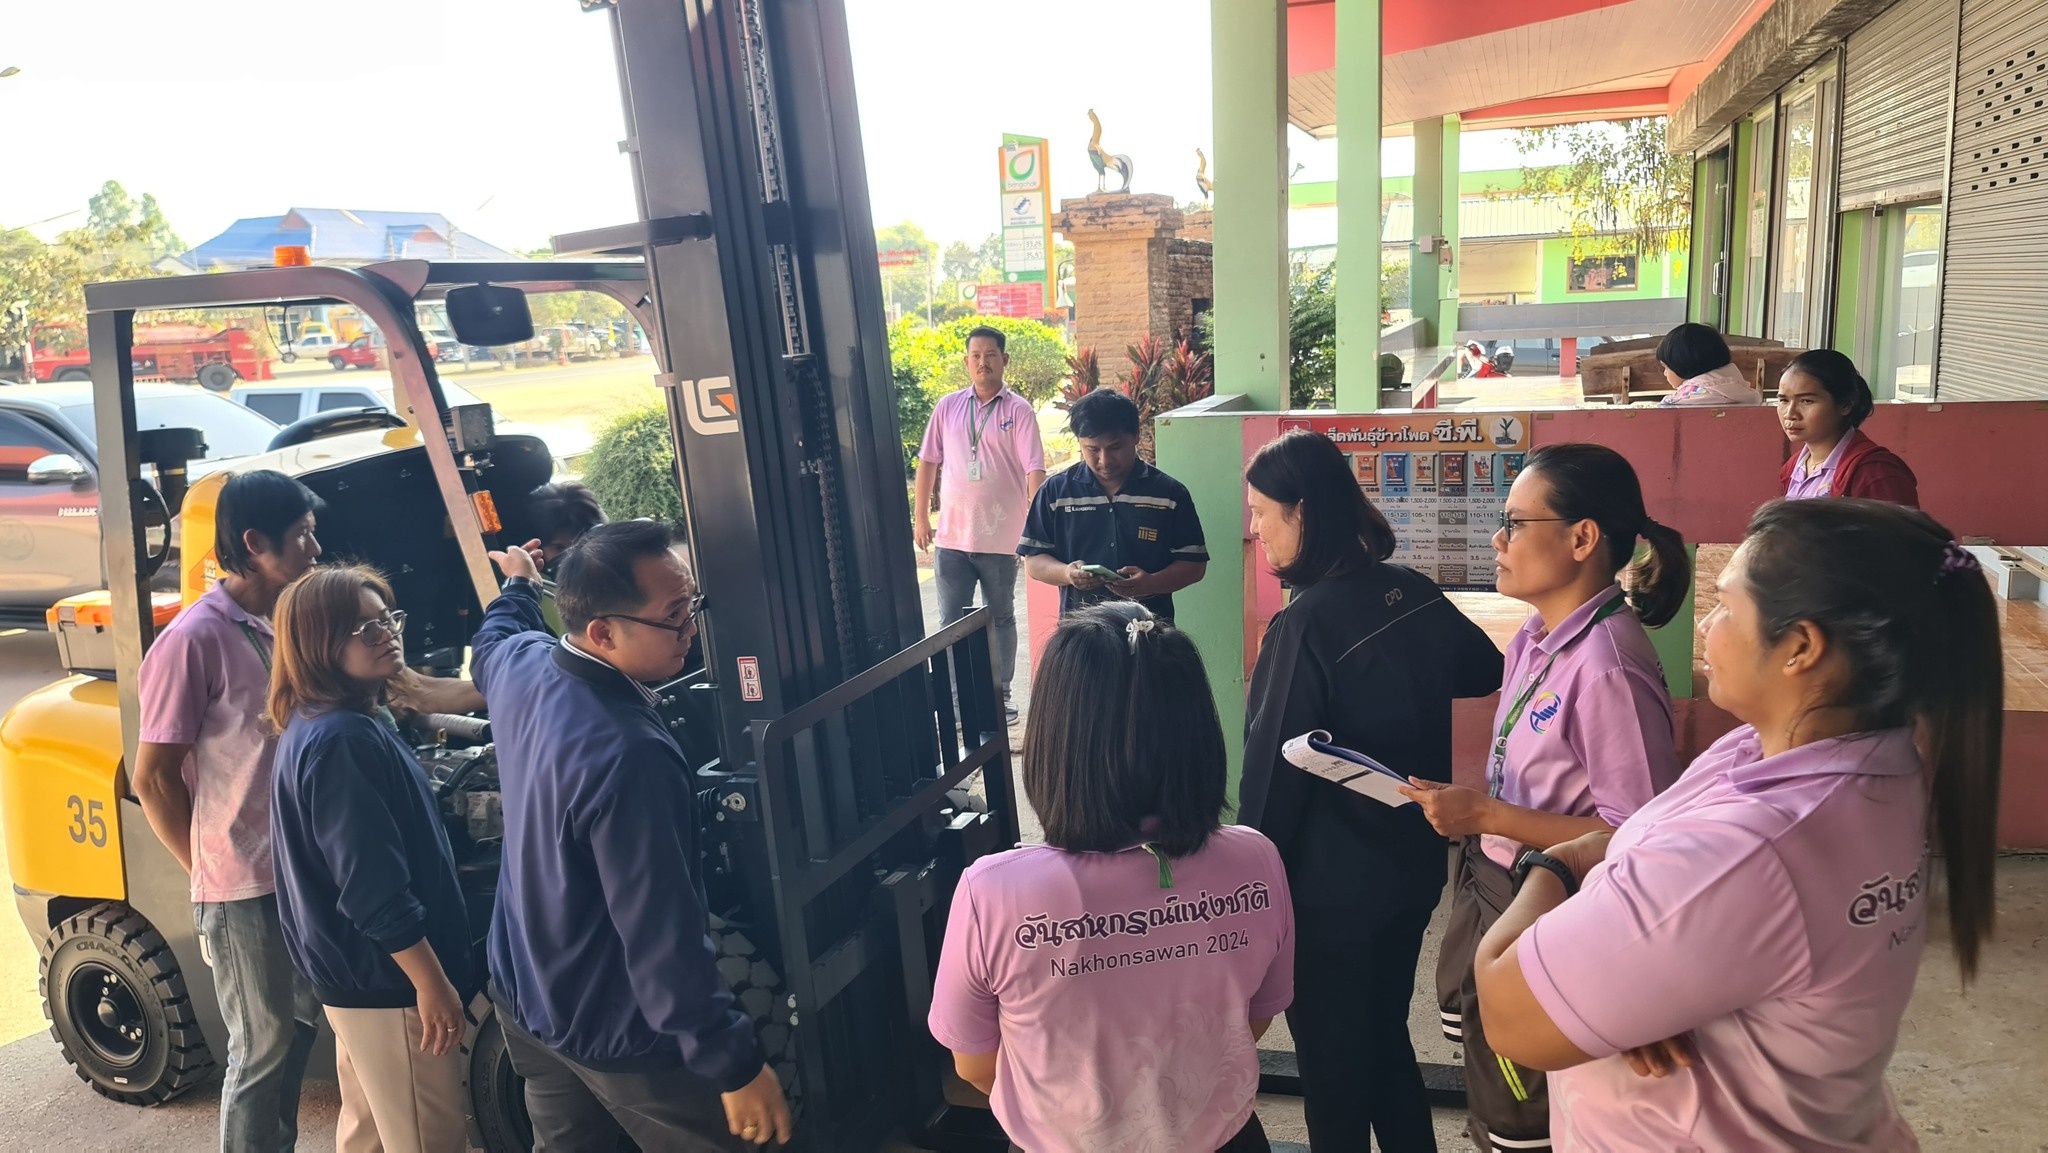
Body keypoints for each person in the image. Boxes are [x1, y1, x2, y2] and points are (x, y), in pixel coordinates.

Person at [1471, 498, 2000, 1149]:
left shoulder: (1753, 848)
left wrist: (1559, 863)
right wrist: (1632, 978)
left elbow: (1510, 1013)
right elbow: (1688, 888)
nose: (1706, 625)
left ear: (1800, 647)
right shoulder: (1856, 761)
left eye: (1725, 606)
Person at [1397, 443, 1687, 1153]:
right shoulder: (1537, 636)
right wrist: (1479, 812)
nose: (1498, 541)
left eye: (1515, 523)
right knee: (1487, 1057)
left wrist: (1486, 814)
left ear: (1582, 538)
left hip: (1551, 908)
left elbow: (1636, 837)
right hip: (1496, 879)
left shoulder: (1608, 666)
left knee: (1521, 1105)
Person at [929, 603, 1293, 1153]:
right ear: (1199, 734)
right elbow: (1253, 1018)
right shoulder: (1256, 861)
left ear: (1056, 742)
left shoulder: (993, 892)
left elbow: (976, 1066)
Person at [473, 521, 791, 1150]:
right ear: (602, 632)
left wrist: (518, 586)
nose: (691, 627)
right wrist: (732, 1062)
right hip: (615, 1026)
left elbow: (493, 637)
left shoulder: (521, 666)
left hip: (524, 996)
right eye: (673, 616)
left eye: (691, 604)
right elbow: (660, 931)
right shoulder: (629, 753)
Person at [1237, 430, 1505, 1153]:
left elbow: (1271, 781)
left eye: (1262, 512)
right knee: (1384, 1034)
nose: (1255, 529)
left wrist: (1251, 891)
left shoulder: (1304, 624)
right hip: (1411, 870)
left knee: (1332, 1066)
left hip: (1329, 895)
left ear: (1301, 511)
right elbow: (1484, 667)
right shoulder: (1409, 590)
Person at [134, 469, 326, 1152]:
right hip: (240, 884)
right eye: (302, 535)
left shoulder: (289, 620)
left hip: (300, 870)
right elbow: (152, 777)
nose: (315, 548)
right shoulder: (193, 639)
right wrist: (207, 875)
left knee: (297, 1029)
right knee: (262, 1047)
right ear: (254, 543)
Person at [268, 566, 474, 1153]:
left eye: (387, 619)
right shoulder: (342, 739)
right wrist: (431, 983)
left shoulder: (324, 721)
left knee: (371, 1134)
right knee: (427, 1139)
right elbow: (372, 887)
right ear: (319, 645)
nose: (387, 635)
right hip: (390, 983)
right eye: (365, 629)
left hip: (357, 981)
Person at [914, 326, 1047, 720]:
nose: (982, 362)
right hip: (952, 538)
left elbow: (1034, 470)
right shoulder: (948, 407)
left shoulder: (1018, 411)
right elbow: (928, 462)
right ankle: (956, 702)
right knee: (950, 622)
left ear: (1004, 360)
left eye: (990, 355)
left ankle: (999, 697)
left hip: (1001, 539)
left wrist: (1039, 526)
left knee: (1001, 618)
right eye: (975, 356)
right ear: (966, 361)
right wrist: (920, 518)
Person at [1018, 389, 1208, 620]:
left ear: (1136, 436)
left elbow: (1194, 564)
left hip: (1150, 628)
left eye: (1115, 447)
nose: (1104, 460)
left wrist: (1151, 583)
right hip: (1080, 630)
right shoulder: (1055, 492)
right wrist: (1067, 574)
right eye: (1092, 449)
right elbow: (1034, 561)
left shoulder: (1169, 494)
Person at [1777, 349, 1918, 505]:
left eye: (1807, 401)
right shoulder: (1794, 467)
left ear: (1846, 405)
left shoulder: (1875, 473)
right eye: (1784, 401)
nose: (1790, 414)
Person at [1655, 322, 1761, 406]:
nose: (1665, 373)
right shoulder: (1741, 390)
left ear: (1682, 364)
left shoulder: (1685, 398)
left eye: (1666, 367)